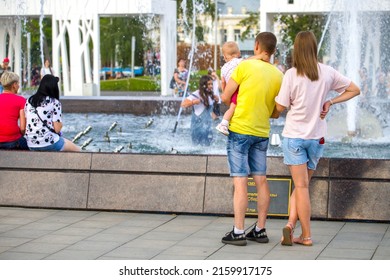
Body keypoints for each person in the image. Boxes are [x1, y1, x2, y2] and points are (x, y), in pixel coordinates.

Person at [274, 31, 360, 246]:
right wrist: (330, 101)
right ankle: (291, 225)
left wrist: (274, 99)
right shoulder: (327, 72)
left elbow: (280, 106)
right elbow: (355, 90)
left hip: (294, 137)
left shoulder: (291, 74)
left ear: (296, 49)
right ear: (314, 48)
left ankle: (307, 236)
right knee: (302, 186)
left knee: (300, 187)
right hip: (316, 138)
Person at [220, 32, 283, 246]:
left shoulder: (244, 67)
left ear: (256, 46)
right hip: (261, 132)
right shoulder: (278, 75)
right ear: (273, 50)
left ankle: (238, 231)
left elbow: (226, 97)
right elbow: (276, 112)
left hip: (239, 130)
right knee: (261, 180)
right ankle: (260, 230)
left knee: (240, 182)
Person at [24, 74, 81, 152]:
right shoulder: (54, 102)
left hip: (31, 144)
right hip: (48, 143)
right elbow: (57, 129)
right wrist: (60, 124)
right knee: (78, 150)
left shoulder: (29, 100)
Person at [181, 75, 219, 146]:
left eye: (211, 84)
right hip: (197, 128)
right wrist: (193, 102)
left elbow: (209, 111)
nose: (211, 86)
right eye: (209, 84)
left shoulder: (210, 95)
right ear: (204, 85)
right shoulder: (197, 94)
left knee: (208, 147)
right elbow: (183, 104)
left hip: (208, 128)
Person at [0, 72, 28, 150]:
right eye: (18, 83)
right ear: (14, 85)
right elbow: (23, 128)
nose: (19, 86)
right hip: (13, 141)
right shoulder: (21, 100)